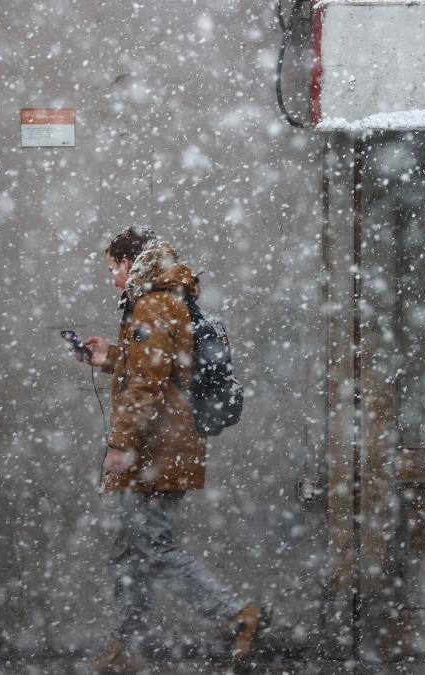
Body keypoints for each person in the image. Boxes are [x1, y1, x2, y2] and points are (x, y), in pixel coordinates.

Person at [78, 227, 264, 672]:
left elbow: (148, 382)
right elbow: (153, 365)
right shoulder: (163, 298)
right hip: (162, 442)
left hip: (157, 447)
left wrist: (122, 445)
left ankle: (235, 616)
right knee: (130, 549)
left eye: (111, 269)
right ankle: (130, 645)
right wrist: (111, 357)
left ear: (128, 264)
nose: (111, 280)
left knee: (151, 547)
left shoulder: (155, 301)